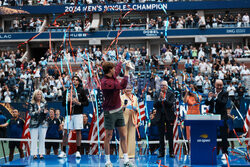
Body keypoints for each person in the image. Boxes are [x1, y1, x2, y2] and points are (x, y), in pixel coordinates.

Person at [101, 61, 136, 167]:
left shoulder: (112, 75)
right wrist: (126, 71)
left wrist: (121, 61)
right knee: (108, 136)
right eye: (113, 68)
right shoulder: (105, 82)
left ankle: (126, 160)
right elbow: (122, 86)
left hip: (118, 110)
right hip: (109, 112)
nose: (115, 70)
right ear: (109, 70)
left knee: (123, 135)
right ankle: (107, 161)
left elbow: (117, 70)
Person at [58, 75, 89, 158]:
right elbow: (63, 104)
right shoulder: (67, 91)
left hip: (78, 114)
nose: (74, 81)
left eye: (76, 80)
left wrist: (78, 103)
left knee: (78, 132)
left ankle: (78, 151)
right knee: (65, 132)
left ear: (78, 82)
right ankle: (63, 151)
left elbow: (87, 103)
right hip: (69, 114)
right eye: (73, 80)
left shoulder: (81, 91)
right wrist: (67, 101)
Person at [205, 79, 229, 159]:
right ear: (214, 85)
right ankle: (211, 152)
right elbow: (206, 103)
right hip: (212, 116)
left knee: (223, 135)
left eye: (220, 85)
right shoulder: (212, 92)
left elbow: (223, 103)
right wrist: (209, 98)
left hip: (222, 116)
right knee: (211, 134)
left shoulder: (225, 93)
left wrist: (215, 98)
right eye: (217, 85)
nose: (219, 87)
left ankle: (225, 152)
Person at [154, 80, 175, 158]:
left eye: (163, 85)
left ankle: (171, 152)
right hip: (160, 116)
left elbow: (170, 104)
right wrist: (160, 99)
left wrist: (164, 99)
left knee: (170, 135)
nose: (162, 87)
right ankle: (161, 152)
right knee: (161, 135)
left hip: (169, 117)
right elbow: (155, 105)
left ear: (167, 86)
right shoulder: (157, 94)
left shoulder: (171, 94)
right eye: (161, 85)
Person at [119, 85, 139, 159]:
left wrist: (135, 109)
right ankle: (122, 154)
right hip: (124, 118)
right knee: (123, 136)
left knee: (131, 136)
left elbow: (137, 108)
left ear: (132, 89)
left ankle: (130, 154)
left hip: (132, 117)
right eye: (127, 88)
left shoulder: (135, 98)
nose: (128, 89)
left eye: (130, 88)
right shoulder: (121, 97)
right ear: (124, 89)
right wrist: (123, 107)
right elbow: (119, 108)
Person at [29, 89, 49, 159]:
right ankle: (34, 154)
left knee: (42, 139)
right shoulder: (31, 103)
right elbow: (31, 114)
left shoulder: (44, 103)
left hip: (43, 123)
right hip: (34, 123)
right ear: (35, 95)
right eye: (37, 94)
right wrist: (38, 111)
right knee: (34, 139)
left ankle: (41, 153)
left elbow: (46, 113)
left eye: (40, 94)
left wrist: (45, 112)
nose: (39, 95)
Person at [183, 84, 202, 154]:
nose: (191, 89)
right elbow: (184, 101)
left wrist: (194, 93)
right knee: (189, 134)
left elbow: (198, 100)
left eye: (192, 88)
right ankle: (190, 150)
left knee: (197, 133)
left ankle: (197, 149)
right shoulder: (188, 97)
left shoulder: (199, 96)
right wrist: (186, 93)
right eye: (190, 88)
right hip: (189, 116)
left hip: (197, 116)